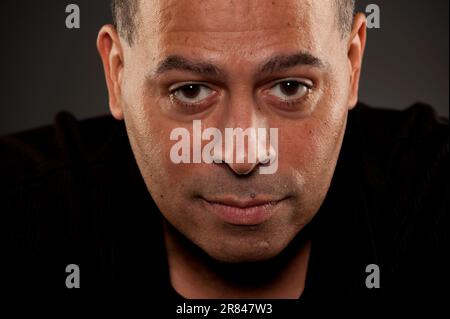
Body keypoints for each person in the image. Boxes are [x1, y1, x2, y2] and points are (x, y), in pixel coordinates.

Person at [2, 0, 448, 303]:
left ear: (353, 64)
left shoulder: (433, 192)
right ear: (116, 74)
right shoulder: (19, 210)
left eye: (290, 87)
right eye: (191, 91)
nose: (243, 155)